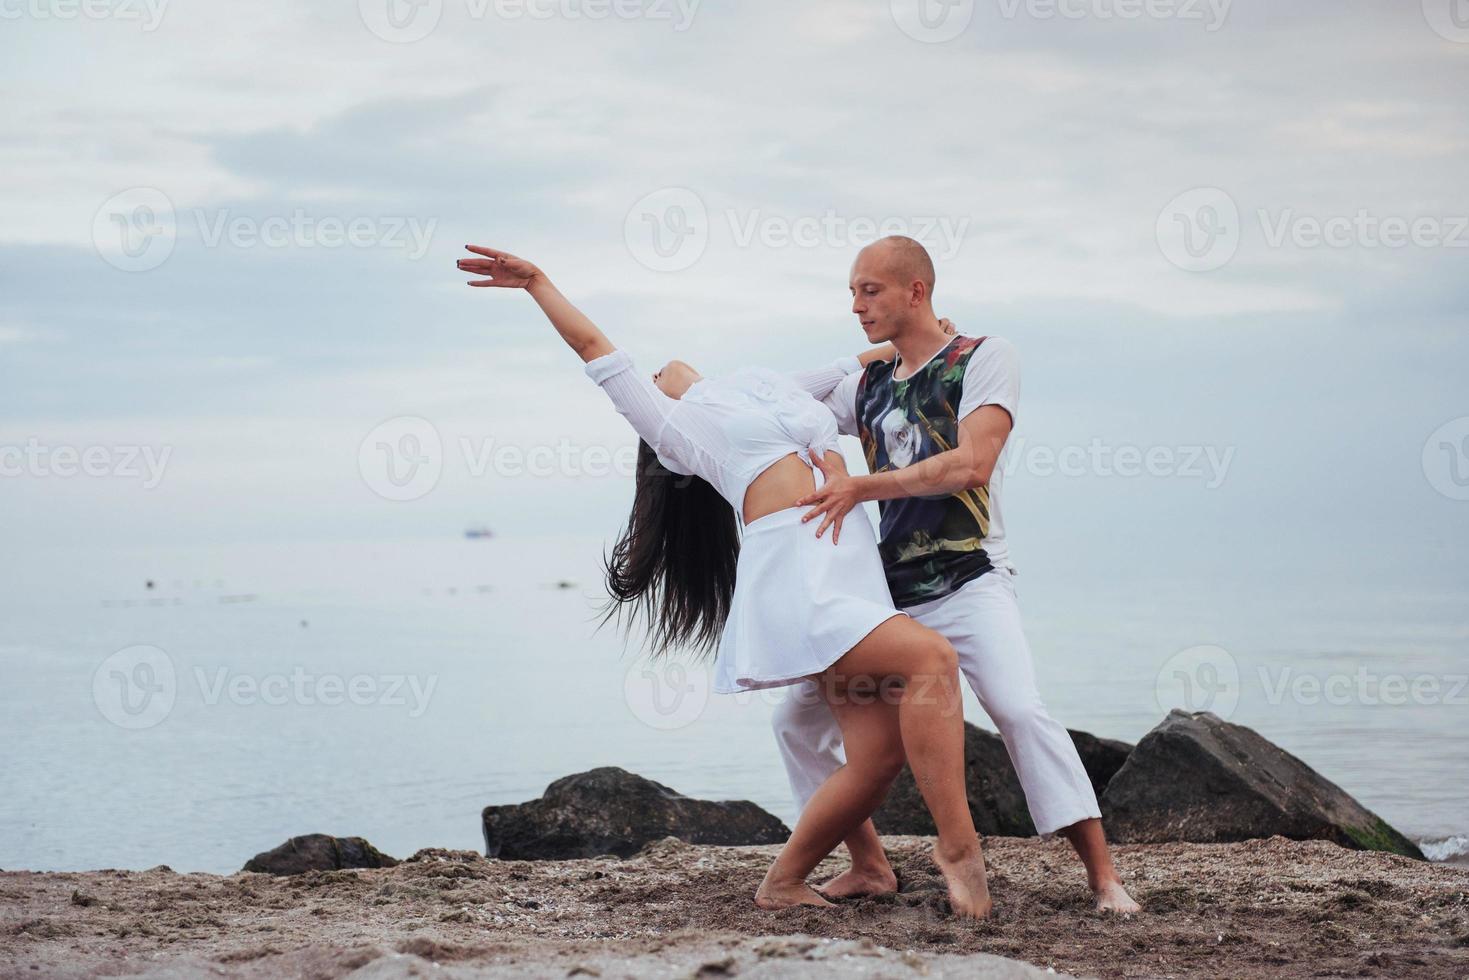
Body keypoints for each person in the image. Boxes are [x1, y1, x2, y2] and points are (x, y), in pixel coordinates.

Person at [457, 243, 994, 918]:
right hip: (798, 578)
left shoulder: (765, 387)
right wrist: (538, 282)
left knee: (877, 757)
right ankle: (959, 847)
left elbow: (868, 359)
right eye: (651, 380)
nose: (657, 374)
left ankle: (803, 879)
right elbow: (596, 349)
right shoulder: (679, 429)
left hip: (850, 569)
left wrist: (942, 337)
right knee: (932, 660)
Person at [775, 236, 1142, 914]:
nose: (855, 306)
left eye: (869, 290)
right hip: (887, 599)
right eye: (852, 293)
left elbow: (969, 464)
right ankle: (868, 867)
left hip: (969, 579)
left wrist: (860, 486)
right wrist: (858, 366)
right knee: (795, 724)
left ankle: (1103, 878)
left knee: (1017, 709)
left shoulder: (982, 359)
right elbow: (780, 404)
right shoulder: (868, 384)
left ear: (916, 291)